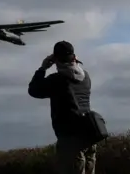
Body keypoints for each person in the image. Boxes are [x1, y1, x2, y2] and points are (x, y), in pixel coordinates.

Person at [28, 41, 96, 174]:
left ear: (55, 59)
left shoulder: (57, 80)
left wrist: (42, 68)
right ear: (74, 57)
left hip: (70, 138)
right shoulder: (86, 76)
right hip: (89, 133)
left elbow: (33, 90)